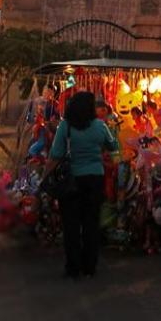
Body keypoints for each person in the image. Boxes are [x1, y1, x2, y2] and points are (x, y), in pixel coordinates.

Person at [44, 91, 118, 280]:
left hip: (71, 181)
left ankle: (73, 266)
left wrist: (45, 176)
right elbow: (113, 145)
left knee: (71, 225)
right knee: (91, 223)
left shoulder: (65, 127)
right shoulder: (100, 126)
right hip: (95, 179)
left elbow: (56, 154)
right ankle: (90, 266)